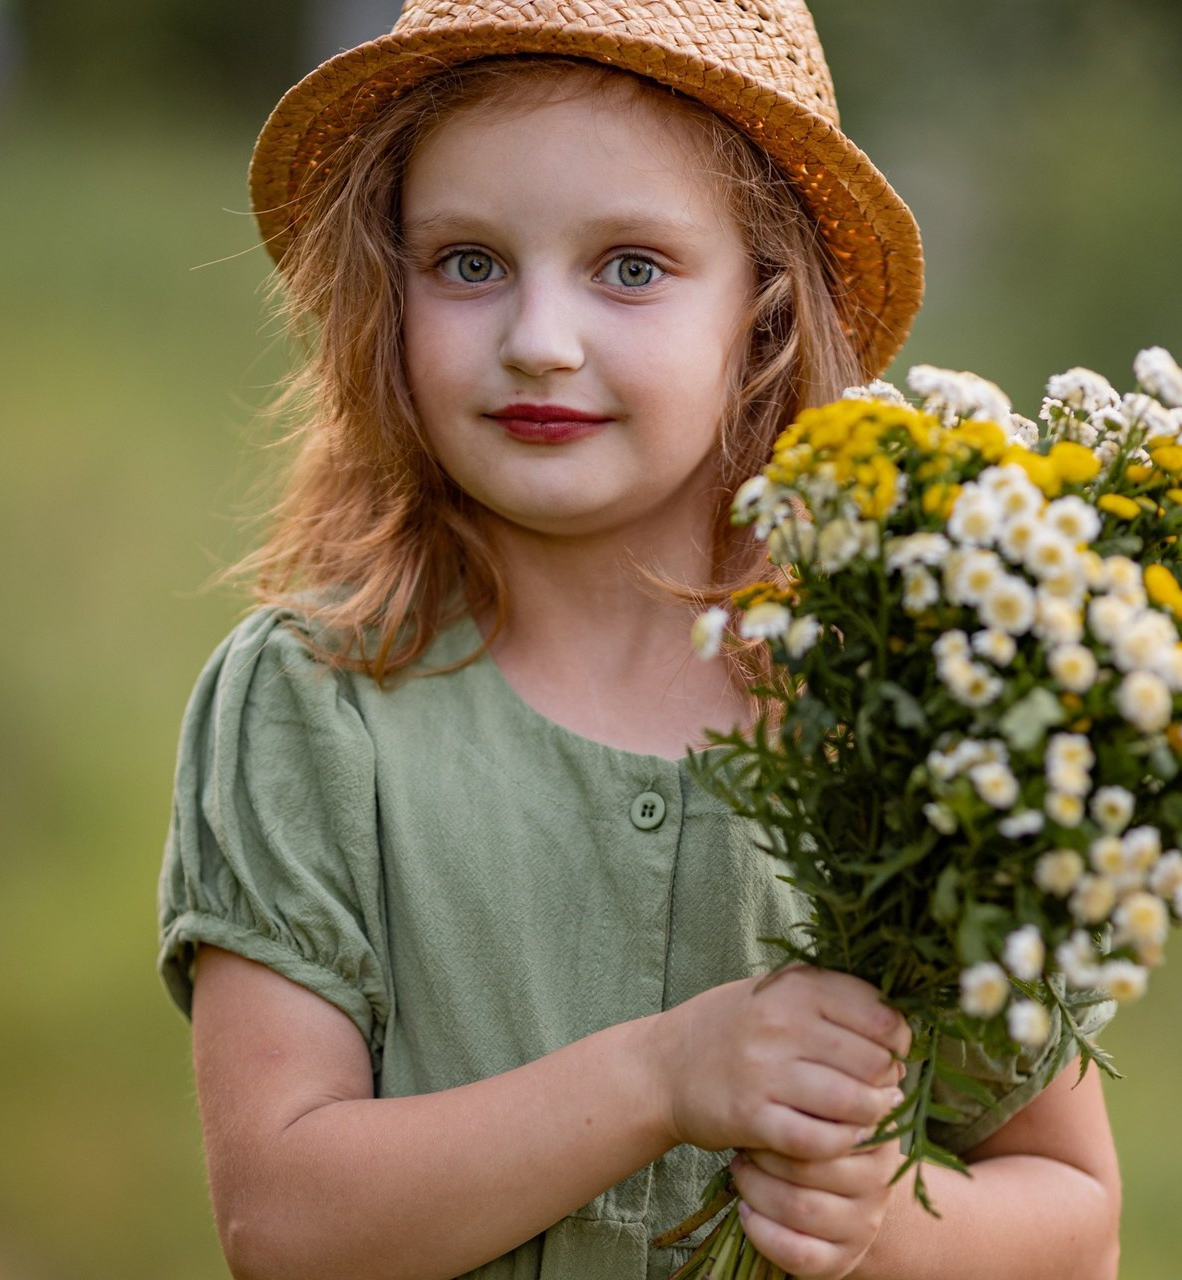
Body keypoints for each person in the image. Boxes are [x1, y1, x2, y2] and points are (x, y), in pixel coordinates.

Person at [157, 3, 1121, 1278]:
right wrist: (663, 1074)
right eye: (465, 262)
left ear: (764, 313)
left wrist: (877, 1222)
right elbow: (281, 1220)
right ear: (379, 287)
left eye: (629, 266)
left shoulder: (902, 706)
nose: (538, 339)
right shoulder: (310, 699)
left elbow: (1075, 1217)